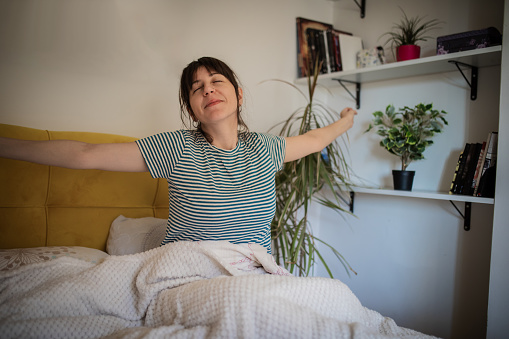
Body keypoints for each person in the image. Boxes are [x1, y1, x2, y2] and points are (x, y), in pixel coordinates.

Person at [0, 57, 357, 253]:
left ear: (239, 94)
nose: (209, 89)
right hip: (186, 267)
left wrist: (345, 120)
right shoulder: (177, 147)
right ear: (192, 106)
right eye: (197, 87)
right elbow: (85, 153)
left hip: (252, 270)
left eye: (217, 80)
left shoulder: (265, 148)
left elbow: (314, 139)